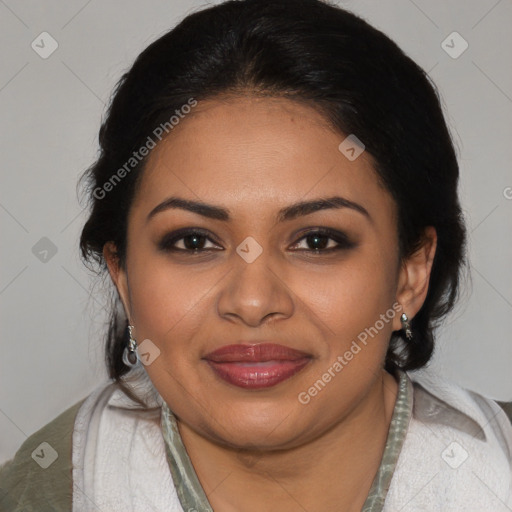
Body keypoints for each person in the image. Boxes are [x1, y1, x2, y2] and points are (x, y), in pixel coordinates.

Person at [1, 0, 511, 510]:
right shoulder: (40, 492)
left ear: (411, 273)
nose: (251, 301)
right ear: (123, 274)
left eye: (317, 240)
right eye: (194, 242)